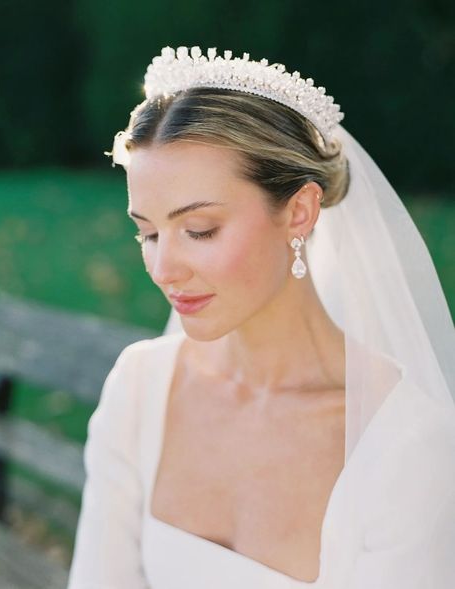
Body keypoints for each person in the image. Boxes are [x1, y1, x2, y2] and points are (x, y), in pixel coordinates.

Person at [67, 46, 455, 588]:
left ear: (299, 211)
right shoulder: (140, 387)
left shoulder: (407, 444)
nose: (163, 268)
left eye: (199, 229)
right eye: (148, 233)